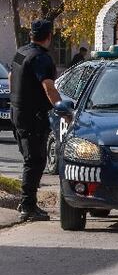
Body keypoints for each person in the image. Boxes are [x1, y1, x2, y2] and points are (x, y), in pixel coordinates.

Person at [9, 20, 60, 222]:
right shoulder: (42, 59)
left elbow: (13, 75)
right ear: (49, 36)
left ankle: (28, 203)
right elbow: (49, 87)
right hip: (32, 117)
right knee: (35, 161)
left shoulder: (21, 52)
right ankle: (28, 206)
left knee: (30, 158)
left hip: (17, 113)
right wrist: (62, 108)